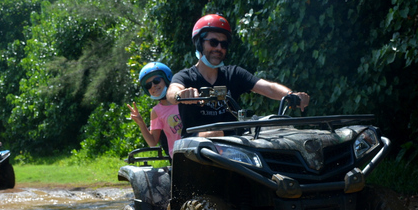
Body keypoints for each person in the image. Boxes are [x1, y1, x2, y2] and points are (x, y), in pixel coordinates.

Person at [166, 14, 310, 137]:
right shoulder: (186, 77)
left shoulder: (233, 74)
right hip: (195, 144)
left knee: (275, 125)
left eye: (224, 44)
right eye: (213, 42)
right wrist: (181, 94)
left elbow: (268, 88)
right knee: (215, 132)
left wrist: (292, 95)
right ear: (198, 44)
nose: (219, 48)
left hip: (234, 146)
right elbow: (172, 92)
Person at [127, 62, 182, 156]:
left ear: (167, 79)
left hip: (197, 149)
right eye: (148, 85)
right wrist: (141, 123)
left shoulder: (184, 99)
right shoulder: (156, 111)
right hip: (179, 156)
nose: (153, 86)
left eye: (156, 80)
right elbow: (153, 143)